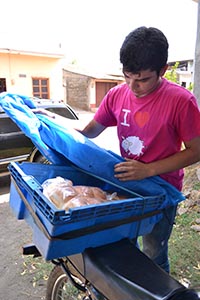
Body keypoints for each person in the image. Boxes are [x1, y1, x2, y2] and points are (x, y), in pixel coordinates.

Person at [78, 26, 200, 273]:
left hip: (162, 192)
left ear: (163, 70)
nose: (133, 87)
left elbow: (196, 150)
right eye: (127, 76)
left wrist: (148, 170)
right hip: (126, 188)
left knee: (154, 255)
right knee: (122, 249)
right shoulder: (115, 95)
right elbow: (90, 131)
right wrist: (51, 126)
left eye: (143, 79)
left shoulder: (181, 101)